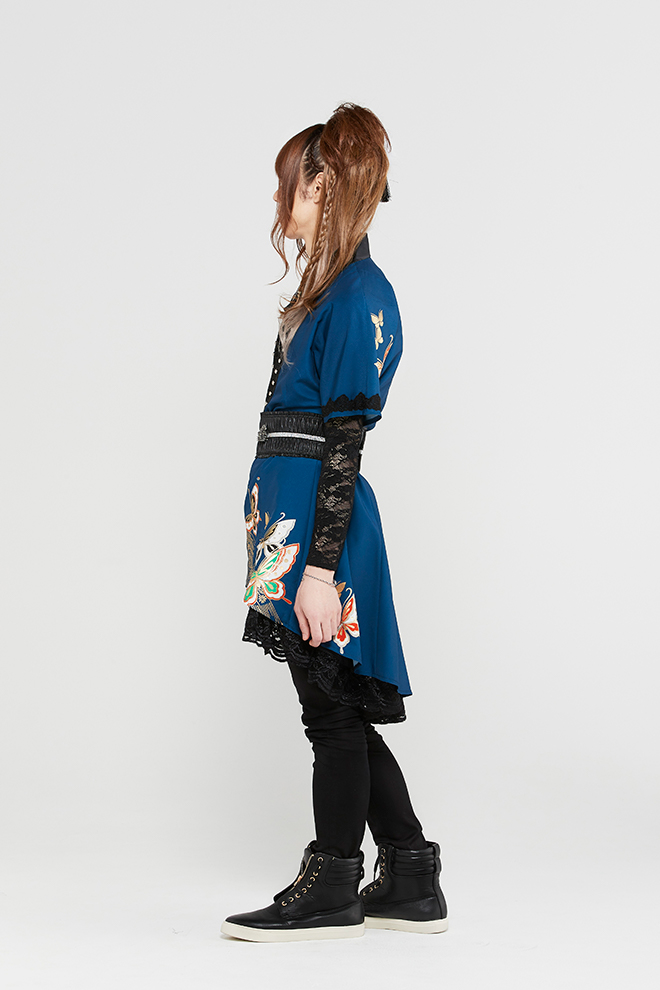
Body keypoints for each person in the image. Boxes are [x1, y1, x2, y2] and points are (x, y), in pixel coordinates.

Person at [221, 104, 448, 943]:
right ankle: (410, 873)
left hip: (322, 534)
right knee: (335, 704)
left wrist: (318, 572)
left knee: (330, 712)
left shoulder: (358, 297)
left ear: (324, 186)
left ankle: (333, 881)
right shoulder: (329, 290)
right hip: (295, 525)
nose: (279, 199)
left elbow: (344, 442)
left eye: (290, 183)